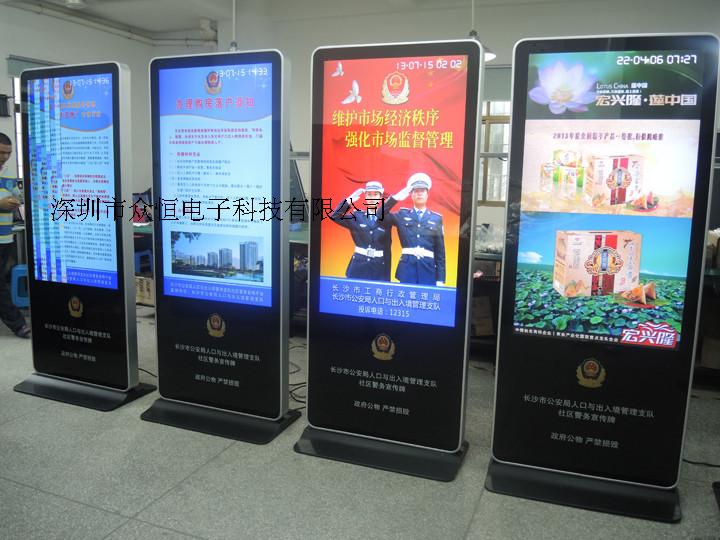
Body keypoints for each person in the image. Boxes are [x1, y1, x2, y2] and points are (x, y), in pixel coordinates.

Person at [330, 180, 410, 281]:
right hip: (358, 266)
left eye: (375, 194)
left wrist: (393, 200)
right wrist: (348, 201)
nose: (372, 198)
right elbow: (335, 216)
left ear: (380, 197)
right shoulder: (357, 217)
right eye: (369, 194)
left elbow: (381, 215)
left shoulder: (387, 218)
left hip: (379, 267)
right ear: (365, 197)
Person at [387, 172, 446, 286]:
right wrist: (395, 199)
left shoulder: (436, 218)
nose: (419, 194)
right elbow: (379, 216)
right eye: (416, 191)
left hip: (428, 271)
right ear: (411, 194)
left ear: (427, 194)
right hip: (407, 270)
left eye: (422, 191)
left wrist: (440, 279)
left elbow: (440, 252)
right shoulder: (402, 215)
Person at [0, 133, 30, 338]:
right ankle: (18, 324)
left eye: (8, 153)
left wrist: (17, 200)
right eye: (1, 152)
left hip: (5, 238)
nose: (5, 157)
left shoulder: (9, 173)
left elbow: (17, 196)